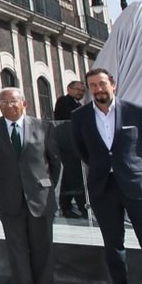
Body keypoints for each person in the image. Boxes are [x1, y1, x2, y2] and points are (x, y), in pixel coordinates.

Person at [0, 87, 62, 284]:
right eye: (3, 102)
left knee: (43, 249)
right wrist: (3, 190)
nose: (8, 105)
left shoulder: (44, 127)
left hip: (40, 198)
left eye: (13, 101)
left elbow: (54, 163)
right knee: (17, 250)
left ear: (24, 103)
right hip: (9, 200)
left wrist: (44, 187)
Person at [71, 68, 142, 284]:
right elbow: (83, 151)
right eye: (93, 85)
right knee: (113, 244)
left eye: (102, 84)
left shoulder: (135, 111)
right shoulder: (80, 116)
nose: (98, 89)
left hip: (136, 185)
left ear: (113, 85)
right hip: (104, 187)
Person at [53, 80, 88, 218]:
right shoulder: (64, 101)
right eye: (77, 89)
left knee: (70, 178)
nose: (80, 92)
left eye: (82, 91)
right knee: (75, 177)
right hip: (67, 145)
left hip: (75, 145)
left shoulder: (78, 104)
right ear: (69, 88)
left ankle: (67, 205)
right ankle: (80, 207)